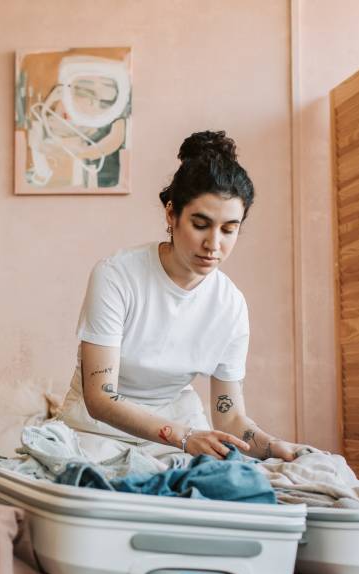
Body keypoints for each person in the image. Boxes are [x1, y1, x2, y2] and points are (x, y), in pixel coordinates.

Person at [55, 130, 309, 461]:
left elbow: (230, 417)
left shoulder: (230, 306)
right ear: (171, 214)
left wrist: (275, 447)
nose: (214, 244)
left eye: (229, 229)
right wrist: (184, 437)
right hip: (96, 431)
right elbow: (101, 398)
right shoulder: (117, 276)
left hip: (182, 426)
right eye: (201, 224)